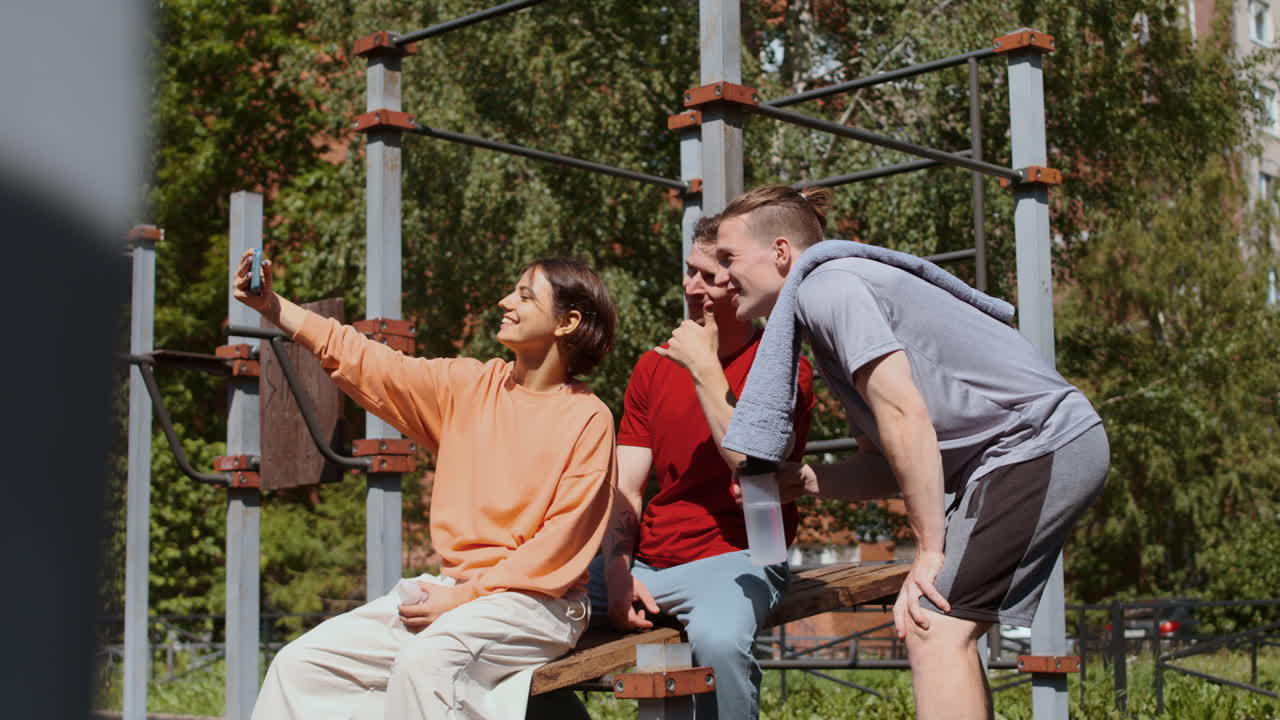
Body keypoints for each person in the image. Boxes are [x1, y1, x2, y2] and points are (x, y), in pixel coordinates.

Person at [712, 185, 1108, 720]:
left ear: (781, 252)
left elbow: (905, 415)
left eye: (728, 258)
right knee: (940, 625)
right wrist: (804, 480)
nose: (721, 276)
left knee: (930, 622)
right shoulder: (828, 302)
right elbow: (884, 466)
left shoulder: (827, 288)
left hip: (1037, 445)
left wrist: (929, 549)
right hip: (1020, 455)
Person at [235, 251, 619, 720]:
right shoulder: (468, 386)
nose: (505, 302)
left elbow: (558, 547)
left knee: (426, 663)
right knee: (302, 666)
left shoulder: (588, 419)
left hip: (538, 603)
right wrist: (272, 305)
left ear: (567, 321)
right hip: (455, 592)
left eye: (524, 296)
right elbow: (367, 360)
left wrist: (464, 599)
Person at [594, 218, 815, 720]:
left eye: (708, 277)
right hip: (649, 561)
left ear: (741, 282)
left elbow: (752, 467)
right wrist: (616, 570)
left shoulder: (782, 365)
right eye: (689, 270)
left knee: (718, 643)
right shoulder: (653, 366)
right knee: (528, 613)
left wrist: (702, 367)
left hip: (741, 555)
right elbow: (627, 485)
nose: (691, 287)